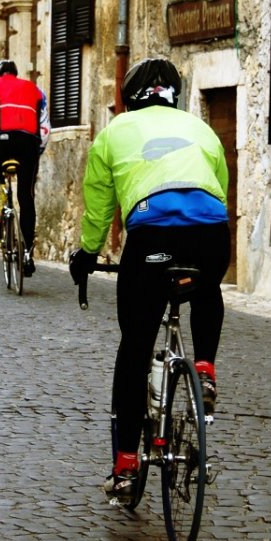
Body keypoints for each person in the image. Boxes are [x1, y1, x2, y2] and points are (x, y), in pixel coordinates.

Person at [69, 57, 230, 505]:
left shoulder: (114, 133)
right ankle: (205, 370)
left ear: (128, 98)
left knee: (135, 348)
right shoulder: (202, 130)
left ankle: (124, 466)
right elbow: (220, 187)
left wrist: (85, 254)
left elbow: (99, 210)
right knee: (208, 287)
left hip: (152, 235)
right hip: (212, 233)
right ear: (173, 96)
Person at [0, 60, 51, 276]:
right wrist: (35, 156)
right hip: (28, 143)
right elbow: (44, 130)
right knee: (26, 196)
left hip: (0, 140)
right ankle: (27, 255)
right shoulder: (36, 90)